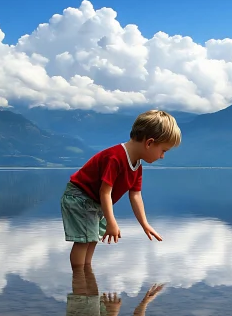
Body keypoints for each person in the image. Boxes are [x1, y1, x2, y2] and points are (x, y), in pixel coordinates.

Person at [61, 110, 181, 268]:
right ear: (149, 143)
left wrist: (144, 224)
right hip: (80, 198)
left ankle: (86, 280)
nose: (162, 156)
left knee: (92, 239)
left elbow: (135, 195)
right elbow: (105, 192)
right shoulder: (116, 158)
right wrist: (111, 222)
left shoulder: (137, 165)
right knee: (83, 241)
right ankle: (79, 282)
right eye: (163, 150)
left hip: (94, 201)